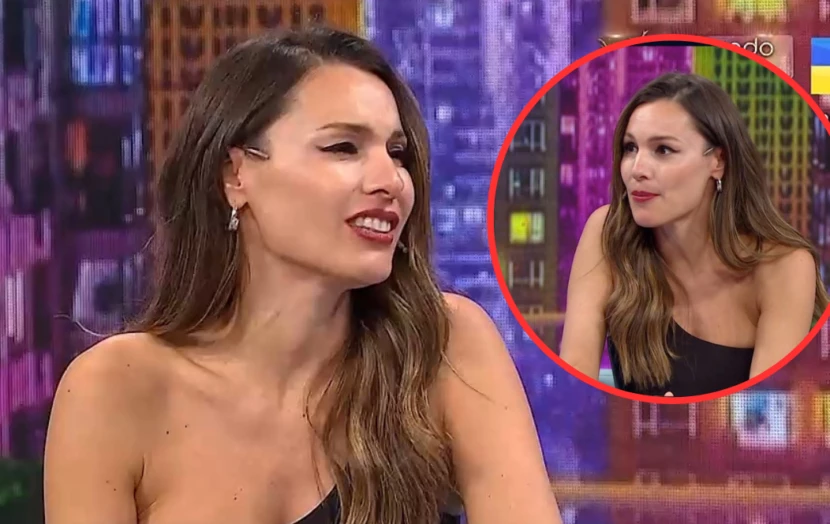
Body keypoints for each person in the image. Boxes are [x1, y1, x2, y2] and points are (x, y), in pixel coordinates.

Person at [43, 27, 562, 524]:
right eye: (343, 148)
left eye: (397, 153)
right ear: (236, 175)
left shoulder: (444, 350)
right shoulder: (112, 392)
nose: (391, 181)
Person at [560, 72, 828, 397]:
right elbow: (572, 385)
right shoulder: (608, 232)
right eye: (630, 148)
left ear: (717, 162)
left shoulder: (785, 266)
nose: (637, 169)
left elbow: (768, 407)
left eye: (663, 150)